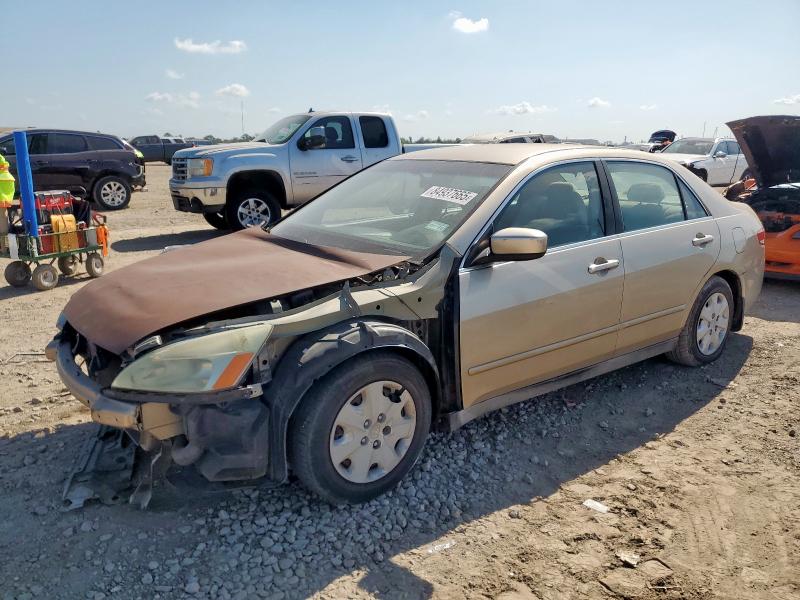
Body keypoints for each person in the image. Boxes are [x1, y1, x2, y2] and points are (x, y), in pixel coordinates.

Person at [0, 154, 15, 235]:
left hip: (2, 182)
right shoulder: (1, 157)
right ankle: (4, 245)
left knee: (2, 213)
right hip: (5, 182)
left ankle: (3, 245)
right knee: (2, 212)